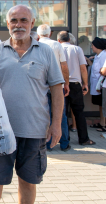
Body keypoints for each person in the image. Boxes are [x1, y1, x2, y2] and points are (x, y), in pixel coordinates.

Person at [0, 5, 64, 204]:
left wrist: (56, 124)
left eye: (24, 20)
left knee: (28, 182)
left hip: (34, 130)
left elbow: (57, 90)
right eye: (14, 20)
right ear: (7, 24)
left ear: (32, 23)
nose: (19, 25)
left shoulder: (46, 52)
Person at [37, 24, 71, 152]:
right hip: (57, 85)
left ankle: (47, 144)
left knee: (44, 114)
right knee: (60, 114)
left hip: (41, 86)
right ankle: (64, 143)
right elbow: (64, 66)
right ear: (50, 34)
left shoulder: (36, 45)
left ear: (38, 34)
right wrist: (66, 83)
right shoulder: (57, 45)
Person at [58, 31, 96, 146]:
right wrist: (85, 83)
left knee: (61, 113)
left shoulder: (57, 48)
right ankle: (83, 139)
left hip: (61, 84)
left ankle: (64, 140)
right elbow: (83, 68)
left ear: (58, 40)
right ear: (69, 39)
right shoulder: (77, 49)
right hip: (75, 84)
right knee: (79, 112)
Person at [86, 37, 106, 132]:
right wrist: (87, 60)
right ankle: (102, 122)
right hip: (96, 84)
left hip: (102, 84)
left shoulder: (104, 56)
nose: (91, 47)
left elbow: (104, 70)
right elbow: (94, 67)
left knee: (104, 104)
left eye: (92, 45)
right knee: (100, 104)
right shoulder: (97, 56)